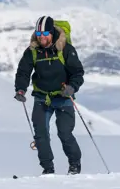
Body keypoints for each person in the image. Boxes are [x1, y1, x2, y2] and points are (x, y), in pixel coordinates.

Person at [13, 16, 85, 175]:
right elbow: (23, 72)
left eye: (45, 33)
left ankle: (75, 164)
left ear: (52, 32)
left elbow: (78, 73)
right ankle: (48, 169)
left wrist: (72, 87)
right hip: (42, 97)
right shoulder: (32, 51)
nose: (42, 37)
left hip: (64, 97)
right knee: (41, 133)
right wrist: (20, 90)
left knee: (64, 132)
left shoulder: (66, 49)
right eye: (39, 33)